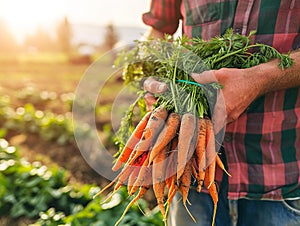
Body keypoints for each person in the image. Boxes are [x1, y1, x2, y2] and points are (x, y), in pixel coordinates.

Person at [140, 1, 300, 225]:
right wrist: (156, 77)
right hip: (189, 174)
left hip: (281, 179)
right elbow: (158, 29)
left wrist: (259, 79)